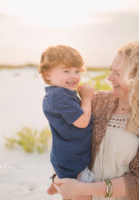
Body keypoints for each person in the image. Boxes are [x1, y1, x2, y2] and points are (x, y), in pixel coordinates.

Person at [51, 42, 139, 200]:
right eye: (111, 70)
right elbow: (67, 138)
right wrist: (59, 177)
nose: (109, 78)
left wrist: (83, 188)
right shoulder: (98, 101)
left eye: (117, 73)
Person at [38, 45, 95, 198]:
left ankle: (55, 184)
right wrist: (87, 98)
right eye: (66, 71)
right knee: (79, 190)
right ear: (48, 74)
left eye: (77, 71)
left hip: (62, 153)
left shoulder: (53, 94)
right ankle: (60, 185)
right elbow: (82, 121)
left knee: (61, 172)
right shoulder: (61, 96)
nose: (74, 76)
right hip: (72, 159)